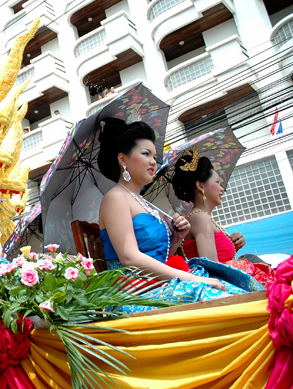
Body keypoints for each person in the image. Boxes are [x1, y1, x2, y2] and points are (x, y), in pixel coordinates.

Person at [97, 118, 229, 292]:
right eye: (145, 154)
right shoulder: (115, 198)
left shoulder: (144, 202)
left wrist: (176, 238)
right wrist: (193, 279)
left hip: (158, 284)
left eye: (154, 156)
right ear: (123, 159)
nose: (153, 162)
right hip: (135, 290)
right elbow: (130, 258)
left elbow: (160, 256)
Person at [171, 147, 275, 285]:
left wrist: (233, 246)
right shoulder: (200, 217)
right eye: (217, 182)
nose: (222, 189)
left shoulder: (201, 217)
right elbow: (213, 267)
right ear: (201, 186)